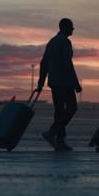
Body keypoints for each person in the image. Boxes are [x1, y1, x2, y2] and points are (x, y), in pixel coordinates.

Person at [34, 18, 82, 151]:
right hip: (64, 82)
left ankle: (60, 141)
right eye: (71, 27)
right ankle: (52, 132)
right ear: (65, 27)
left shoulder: (52, 42)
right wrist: (76, 84)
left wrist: (40, 83)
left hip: (54, 82)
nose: (73, 29)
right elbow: (68, 64)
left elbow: (44, 64)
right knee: (72, 108)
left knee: (59, 111)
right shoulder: (65, 42)